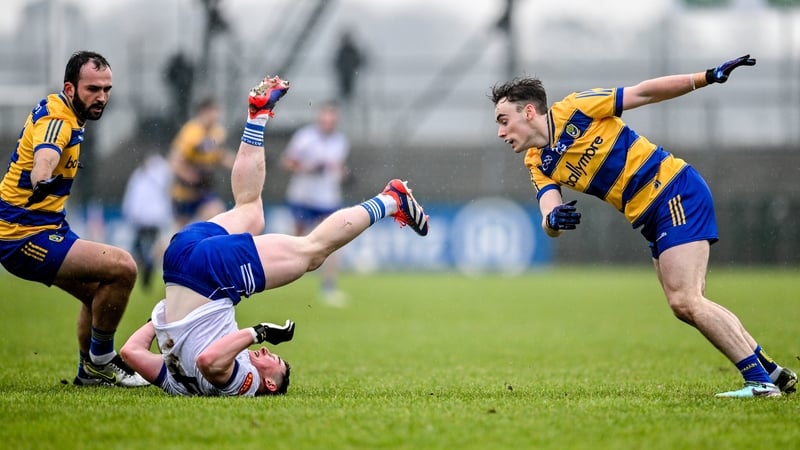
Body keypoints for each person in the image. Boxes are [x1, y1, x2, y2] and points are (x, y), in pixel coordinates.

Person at [491, 55, 797, 398]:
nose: (501, 132)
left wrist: (706, 76)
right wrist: (553, 221)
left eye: (504, 120)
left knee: (686, 300)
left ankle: (759, 383)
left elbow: (645, 93)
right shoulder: (538, 162)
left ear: (529, 112)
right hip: (649, 215)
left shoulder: (577, 109)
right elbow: (550, 214)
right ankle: (771, 371)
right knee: (683, 305)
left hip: (672, 191)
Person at [120, 75, 429, 396]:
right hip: (178, 262)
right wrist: (163, 323)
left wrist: (258, 333)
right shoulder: (181, 383)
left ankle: (391, 200)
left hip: (207, 275)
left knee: (312, 252)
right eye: (275, 358)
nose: (268, 354)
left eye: (274, 361)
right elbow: (132, 352)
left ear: (267, 383)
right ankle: (258, 117)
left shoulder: (242, 382)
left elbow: (208, 360)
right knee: (253, 214)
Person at [0, 51, 148, 387]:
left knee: (100, 292)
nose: (102, 97)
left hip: (47, 226)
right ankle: (102, 361)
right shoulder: (60, 120)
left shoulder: (65, 110)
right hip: (22, 236)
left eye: (107, 89)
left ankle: (90, 373)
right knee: (123, 267)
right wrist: (42, 176)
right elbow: (46, 155)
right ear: (70, 88)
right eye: (93, 89)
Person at [281, 101, 350, 305]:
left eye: (332, 118)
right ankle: (282, 279)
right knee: (296, 240)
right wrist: (307, 168)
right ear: (320, 119)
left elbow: (336, 166)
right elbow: (288, 162)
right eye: (325, 118)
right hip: (303, 196)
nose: (329, 122)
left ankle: (329, 287)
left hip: (328, 198)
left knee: (335, 241)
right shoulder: (305, 137)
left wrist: (342, 174)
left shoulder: (340, 141)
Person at [169, 97, 235, 229]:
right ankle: (162, 249)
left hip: (203, 190)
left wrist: (241, 164)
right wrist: (191, 177)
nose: (216, 116)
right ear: (202, 112)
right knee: (179, 232)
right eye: (212, 111)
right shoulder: (191, 132)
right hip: (184, 192)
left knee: (216, 213)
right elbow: (174, 161)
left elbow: (220, 155)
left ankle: (204, 245)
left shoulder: (217, 132)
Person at [122, 151, 173, 290]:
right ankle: (146, 271)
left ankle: (145, 272)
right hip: (151, 218)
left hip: (146, 219)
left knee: (142, 248)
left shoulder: (141, 176)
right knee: (144, 248)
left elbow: (132, 198)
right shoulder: (158, 176)